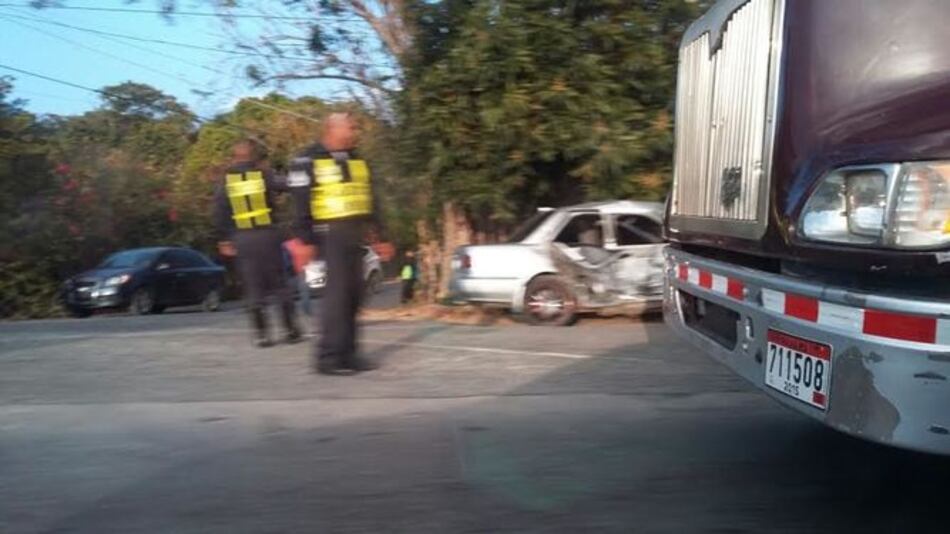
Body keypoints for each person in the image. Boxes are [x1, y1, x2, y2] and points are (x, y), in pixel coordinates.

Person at [288, 113, 381, 374]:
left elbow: (371, 198)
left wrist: (380, 234)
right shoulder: (307, 160)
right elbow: (299, 203)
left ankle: (349, 354)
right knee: (337, 298)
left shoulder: (357, 159)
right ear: (332, 129)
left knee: (354, 296)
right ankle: (328, 358)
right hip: (328, 234)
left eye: (355, 126)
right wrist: (305, 240)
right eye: (350, 127)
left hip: (354, 234)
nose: (355, 131)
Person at [214, 140, 302, 348]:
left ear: (234, 158)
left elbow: (219, 212)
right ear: (253, 157)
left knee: (253, 286)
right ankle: (290, 330)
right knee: (280, 284)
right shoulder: (264, 175)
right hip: (268, 235)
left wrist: (224, 238)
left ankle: (261, 335)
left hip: (242, 239)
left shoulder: (226, 182)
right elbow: (288, 185)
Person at [283, 237, 315, 316]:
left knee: (289, 291)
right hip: (303, 269)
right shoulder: (308, 246)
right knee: (304, 291)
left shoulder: (287, 245)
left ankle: (292, 310)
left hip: (291, 270)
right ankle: (307, 310)